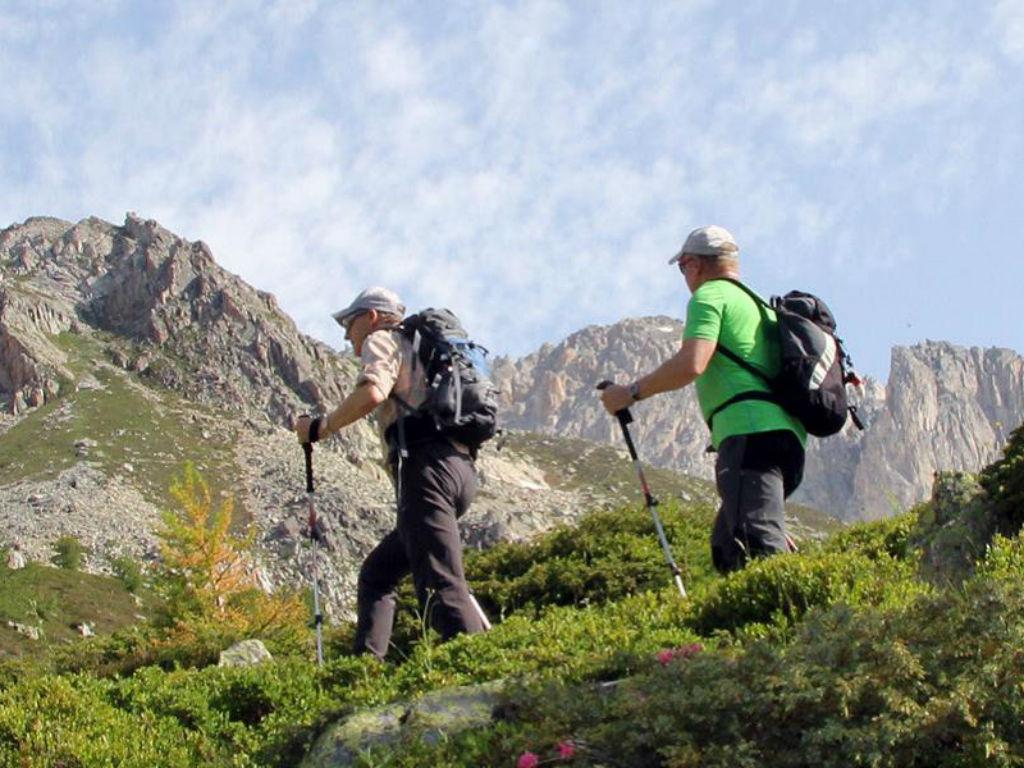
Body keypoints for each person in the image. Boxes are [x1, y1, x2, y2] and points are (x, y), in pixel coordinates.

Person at [599, 225, 806, 574]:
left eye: (682, 268)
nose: (684, 276)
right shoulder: (759, 306)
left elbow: (692, 363)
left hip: (748, 434)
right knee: (727, 544)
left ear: (694, 264)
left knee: (757, 546)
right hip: (787, 438)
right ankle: (757, 615)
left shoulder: (709, 297)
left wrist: (629, 394)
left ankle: (797, 619)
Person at [295, 286, 486, 659]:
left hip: (425, 471)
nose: (346, 335)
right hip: (460, 470)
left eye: (349, 324)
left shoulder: (382, 339)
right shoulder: (424, 349)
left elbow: (373, 393)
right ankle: (364, 670)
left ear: (371, 317)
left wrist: (320, 428)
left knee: (440, 583)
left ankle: (481, 676)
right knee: (377, 574)